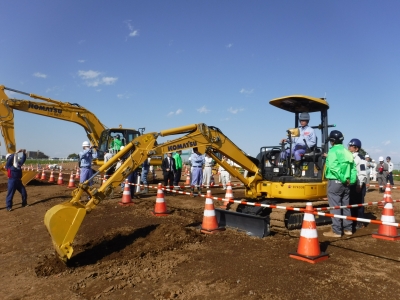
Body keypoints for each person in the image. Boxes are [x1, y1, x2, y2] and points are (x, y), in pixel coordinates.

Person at [323, 130, 356, 238]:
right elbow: (353, 168)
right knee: (346, 206)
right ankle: (348, 229)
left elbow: (333, 168)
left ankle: (336, 231)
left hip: (336, 181)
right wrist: (351, 180)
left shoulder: (332, 151)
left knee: (335, 206)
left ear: (332, 141)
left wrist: (342, 178)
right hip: (347, 183)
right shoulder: (347, 152)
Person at [280, 112, 316, 176]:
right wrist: (287, 140)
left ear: (307, 121)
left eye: (303, 120)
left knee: (297, 153)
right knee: (283, 152)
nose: (301, 122)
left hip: (304, 149)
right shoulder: (297, 130)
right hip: (295, 147)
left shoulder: (311, 130)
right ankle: (286, 169)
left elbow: (313, 142)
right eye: (300, 120)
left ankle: (298, 170)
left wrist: (304, 145)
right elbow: (293, 139)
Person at [347, 139, 367, 230]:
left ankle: (360, 222)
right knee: (352, 203)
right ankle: (354, 220)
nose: (349, 147)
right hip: (351, 183)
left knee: (359, 204)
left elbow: (362, 172)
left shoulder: (360, 158)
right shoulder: (349, 156)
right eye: (349, 145)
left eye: (351, 146)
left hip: (358, 184)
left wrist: (360, 184)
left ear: (356, 148)